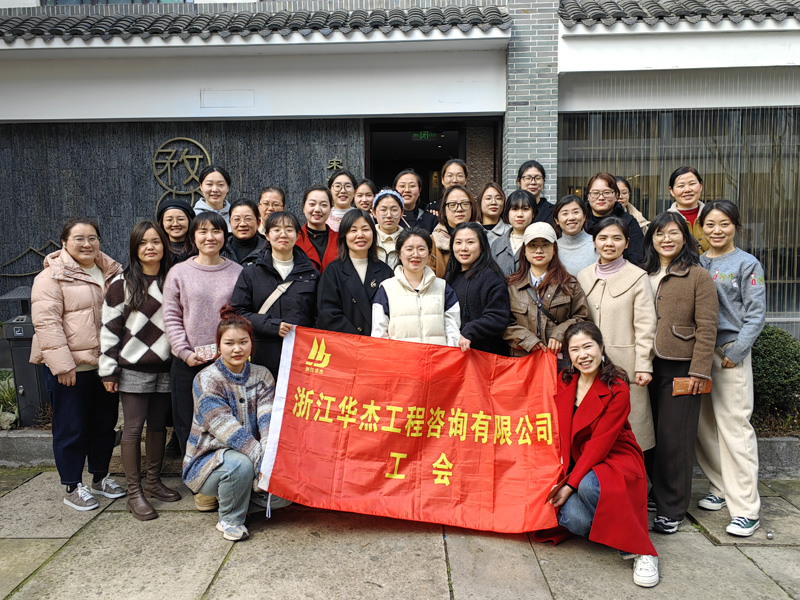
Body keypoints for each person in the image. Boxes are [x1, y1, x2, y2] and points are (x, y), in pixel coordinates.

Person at [535, 321, 659, 589]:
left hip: (614, 456)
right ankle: (615, 530)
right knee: (570, 517)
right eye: (575, 349)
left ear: (601, 347)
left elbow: (599, 446)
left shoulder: (617, 387)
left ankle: (640, 548)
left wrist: (569, 485)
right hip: (577, 461)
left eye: (588, 346)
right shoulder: (565, 380)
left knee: (590, 486)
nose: (583, 355)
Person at [30, 217, 125, 511]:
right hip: (71, 369)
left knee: (104, 425)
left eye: (92, 238)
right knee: (71, 428)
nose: (87, 244)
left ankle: (100, 477)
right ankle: (72, 485)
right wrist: (63, 366)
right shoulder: (51, 277)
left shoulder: (111, 271)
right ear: (64, 242)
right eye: (79, 239)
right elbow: (46, 323)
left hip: (104, 367)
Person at [641, 212, 719, 534]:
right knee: (648, 434)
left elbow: (708, 326)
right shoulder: (642, 272)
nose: (666, 239)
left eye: (673, 233)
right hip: (645, 365)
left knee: (675, 438)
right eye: (659, 233)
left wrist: (700, 370)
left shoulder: (698, 275)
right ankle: (656, 492)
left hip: (682, 365)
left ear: (685, 238)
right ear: (651, 239)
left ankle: (672, 508)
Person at [100, 220, 180, 521]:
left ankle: (153, 482)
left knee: (159, 427)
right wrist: (108, 370)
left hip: (167, 367)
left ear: (164, 245)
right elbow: (109, 329)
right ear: (134, 248)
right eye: (143, 242)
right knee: (133, 429)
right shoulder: (121, 284)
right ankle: (134, 494)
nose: (150, 247)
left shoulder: (173, 279)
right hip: (132, 368)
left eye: (155, 241)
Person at [695, 199, 766, 537]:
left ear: (735, 226)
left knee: (735, 428)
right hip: (700, 352)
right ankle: (721, 487)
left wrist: (737, 352)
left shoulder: (747, 263)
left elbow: (756, 313)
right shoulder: (698, 261)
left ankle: (746, 509)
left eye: (724, 224)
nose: (717, 230)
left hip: (728, 352)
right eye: (710, 224)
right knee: (703, 427)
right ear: (701, 228)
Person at [182, 307, 278, 542]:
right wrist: (261, 463)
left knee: (284, 494)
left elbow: (267, 421)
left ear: (251, 344)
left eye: (243, 342)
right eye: (229, 343)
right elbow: (226, 429)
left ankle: (234, 496)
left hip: (254, 457)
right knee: (240, 465)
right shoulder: (206, 379)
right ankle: (230, 519)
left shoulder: (262, 375)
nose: (237, 349)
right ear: (219, 346)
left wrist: (269, 460)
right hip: (209, 460)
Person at [163, 211, 243, 473]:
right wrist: (184, 352)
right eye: (203, 231)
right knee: (188, 423)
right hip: (188, 361)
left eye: (216, 231)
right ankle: (196, 479)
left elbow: (242, 315)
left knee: (228, 421)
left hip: (227, 363)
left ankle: (226, 476)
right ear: (193, 237)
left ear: (224, 235)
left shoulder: (238, 272)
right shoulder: (179, 272)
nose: (210, 237)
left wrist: (230, 353)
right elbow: (171, 316)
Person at [577, 217, 657, 454]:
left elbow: (646, 326)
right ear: (594, 242)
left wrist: (644, 365)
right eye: (603, 238)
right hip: (589, 365)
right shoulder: (583, 276)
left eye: (616, 238)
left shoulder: (638, 277)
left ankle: (635, 474)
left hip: (627, 366)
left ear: (627, 243)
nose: (609, 243)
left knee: (632, 431)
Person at [231, 211, 319, 377]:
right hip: (262, 358)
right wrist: (272, 325)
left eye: (289, 230)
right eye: (277, 230)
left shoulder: (311, 274)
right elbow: (237, 312)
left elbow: (318, 316)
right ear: (267, 235)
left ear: (297, 235)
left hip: (301, 358)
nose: (283, 234)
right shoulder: (251, 272)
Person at [504, 223, 590, 368]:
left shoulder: (569, 284)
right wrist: (527, 340)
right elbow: (502, 322)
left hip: (559, 361)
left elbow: (583, 318)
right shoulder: (511, 285)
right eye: (532, 245)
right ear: (524, 250)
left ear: (554, 249)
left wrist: (561, 333)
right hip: (522, 361)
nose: (539, 250)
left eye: (545, 245)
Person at [372, 228, 460, 346]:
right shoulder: (386, 289)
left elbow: (453, 332)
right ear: (399, 254)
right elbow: (379, 334)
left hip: (437, 357)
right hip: (400, 357)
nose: (415, 254)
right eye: (409, 249)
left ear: (429, 254)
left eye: (421, 249)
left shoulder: (443, 288)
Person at [317, 209, 394, 335]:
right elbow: (328, 313)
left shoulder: (385, 272)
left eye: (365, 229)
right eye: (353, 230)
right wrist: (357, 340)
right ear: (344, 235)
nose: (360, 235)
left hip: (377, 342)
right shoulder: (333, 271)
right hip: (345, 342)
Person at [445, 222, 510, 356]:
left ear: (482, 246)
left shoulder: (491, 277)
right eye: (458, 243)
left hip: (485, 356)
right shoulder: (450, 277)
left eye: (470, 242)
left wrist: (470, 331)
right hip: (455, 354)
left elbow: (498, 316)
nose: (463, 248)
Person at [583, 173, 645, 265]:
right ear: (588, 196)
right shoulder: (579, 221)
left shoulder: (628, 222)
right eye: (595, 193)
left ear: (616, 196)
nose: (601, 198)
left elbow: (638, 259)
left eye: (607, 192)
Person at [430, 185, 477, 277]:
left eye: (465, 204)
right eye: (452, 205)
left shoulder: (482, 237)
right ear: (444, 211)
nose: (459, 209)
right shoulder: (433, 242)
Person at [490, 189, 537, 277]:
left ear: (533, 213)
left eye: (525, 209)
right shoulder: (496, 244)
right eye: (514, 209)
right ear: (508, 212)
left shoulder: (540, 243)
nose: (519, 214)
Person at [667, 166, 709, 253]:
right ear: (671, 191)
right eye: (681, 186)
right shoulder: (665, 221)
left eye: (692, 184)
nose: (687, 190)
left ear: (701, 186)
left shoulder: (713, 216)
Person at [296, 186, 338, 273]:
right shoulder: (294, 239)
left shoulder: (341, 240)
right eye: (312, 204)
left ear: (330, 209)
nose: (317, 209)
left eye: (324, 205)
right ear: (303, 208)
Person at [553, 195, 595, 277]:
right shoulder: (552, 247)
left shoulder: (597, 244)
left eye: (576, 212)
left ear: (584, 217)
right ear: (557, 220)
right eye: (565, 214)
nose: (571, 218)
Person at [223, 199, 266, 267]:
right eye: (237, 219)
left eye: (248, 219)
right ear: (230, 223)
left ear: (258, 223)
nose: (242, 224)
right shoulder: (220, 249)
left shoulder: (268, 250)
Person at [372, 189, 406, 269]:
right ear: (374, 213)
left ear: (402, 213)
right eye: (383, 210)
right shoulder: (368, 237)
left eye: (394, 210)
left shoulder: (408, 239)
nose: (389, 215)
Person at [194, 166, 233, 231]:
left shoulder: (235, 215)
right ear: (201, 186)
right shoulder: (192, 216)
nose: (215, 189)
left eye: (220, 184)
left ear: (228, 188)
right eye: (209, 184)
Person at [157, 198, 195, 264]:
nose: (175, 224)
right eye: (169, 220)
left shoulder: (199, 249)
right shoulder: (158, 249)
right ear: (162, 223)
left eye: (180, 219)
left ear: (189, 221)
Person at [516, 160, 554, 226]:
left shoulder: (554, 211)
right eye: (528, 178)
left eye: (538, 178)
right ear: (518, 182)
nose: (533, 182)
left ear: (543, 181)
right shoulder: (510, 210)